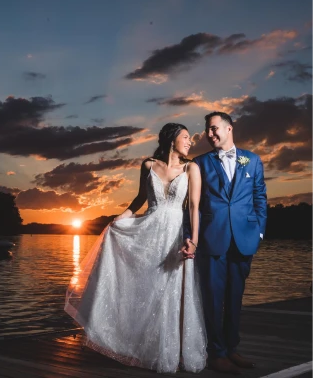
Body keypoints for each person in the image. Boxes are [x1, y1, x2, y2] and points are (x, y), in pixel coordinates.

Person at [65, 123, 207, 374]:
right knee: (148, 290)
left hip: (175, 236)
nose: (189, 141)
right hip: (148, 234)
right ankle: (143, 348)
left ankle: (170, 353)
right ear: (172, 139)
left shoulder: (191, 168)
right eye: (185, 137)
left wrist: (193, 241)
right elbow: (140, 199)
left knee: (172, 291)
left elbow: (194, 207)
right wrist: (120, 218)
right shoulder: (148, 165)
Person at [184, 111, 267, 375]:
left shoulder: (252, 160)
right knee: (212, 299)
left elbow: (260, 197)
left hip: (244, 239)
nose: (209, 134)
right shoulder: (199, 163)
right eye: (207, 130)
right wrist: (191, 237)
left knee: (235, 298)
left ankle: (232, 349)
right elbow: (192, 206)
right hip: (212, 238)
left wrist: (259, 232)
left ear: (229, 128)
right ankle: (216, 353)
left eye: (213, 128)